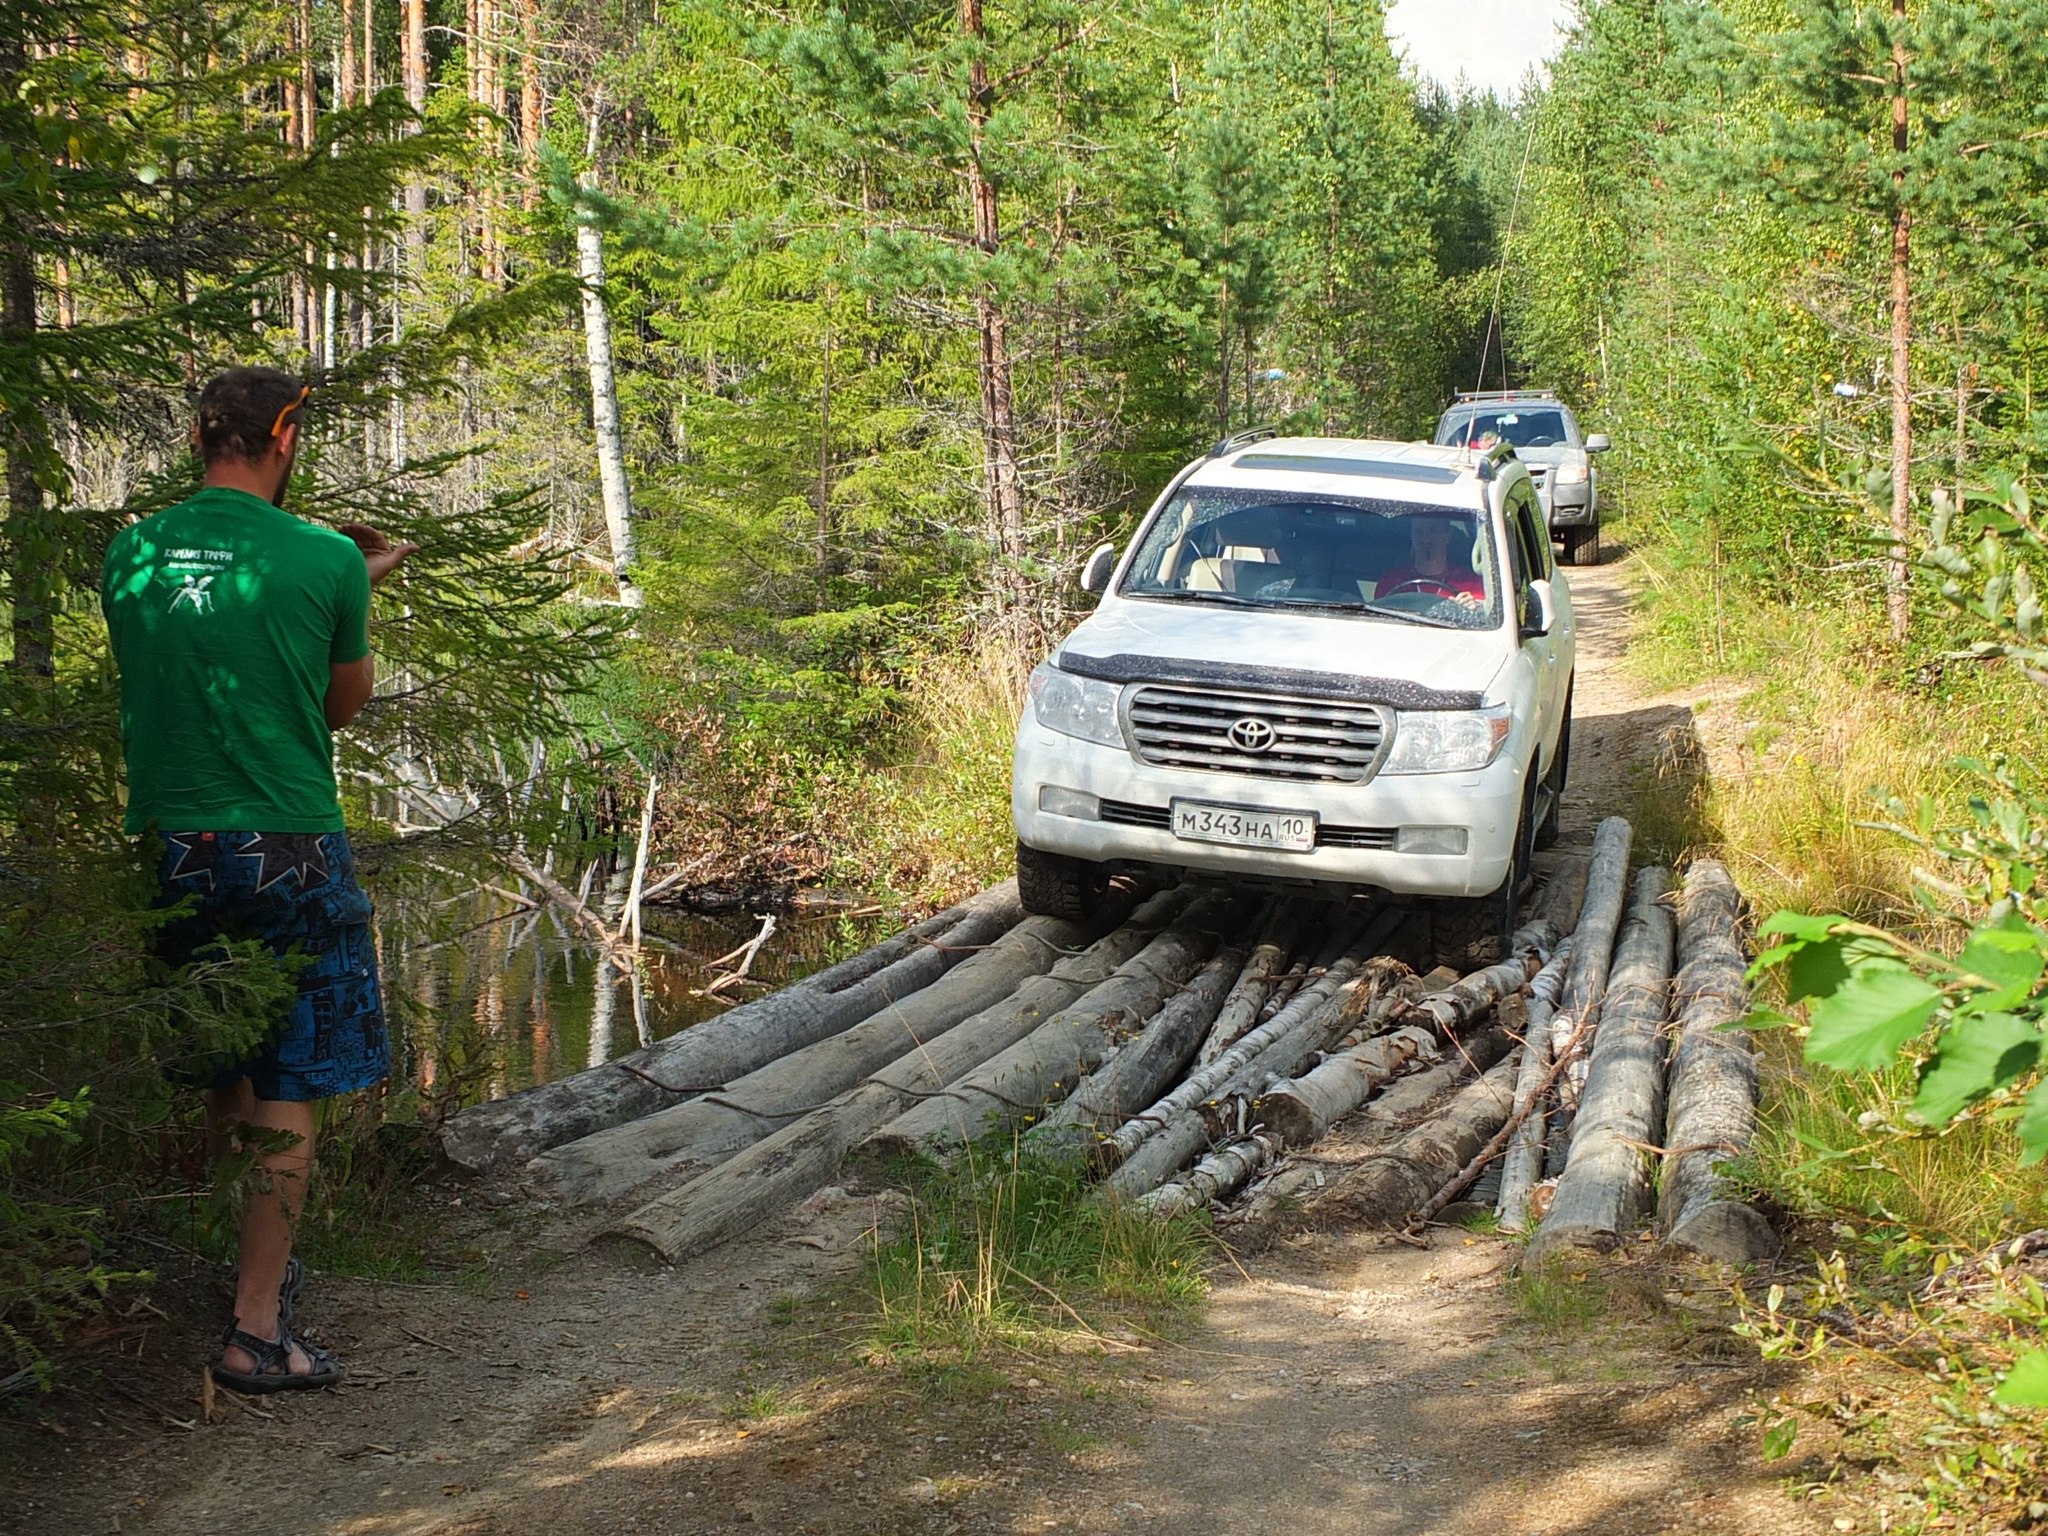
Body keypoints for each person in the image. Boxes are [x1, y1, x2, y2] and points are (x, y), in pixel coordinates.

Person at [100, 366, 416, 1394]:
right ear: (283, 438)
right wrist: (354, 588)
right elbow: (333, 709)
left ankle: (238, 1260)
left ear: (201, 437)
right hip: (286, 844)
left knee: (216, 1060)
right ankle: (254, 1327)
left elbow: (173, 675)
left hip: (172, 845)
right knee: (289, 1082)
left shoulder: (131, 549)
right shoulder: (326, 558)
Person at [1376, 515, 1486, 603]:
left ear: (1448, 535)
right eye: (1419, 531)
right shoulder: (1391, 581)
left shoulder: (1470, 583)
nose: (1425, 539)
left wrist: (1471, 608)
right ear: (1412, 536)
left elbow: (1484, 617)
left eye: (1433, 531)